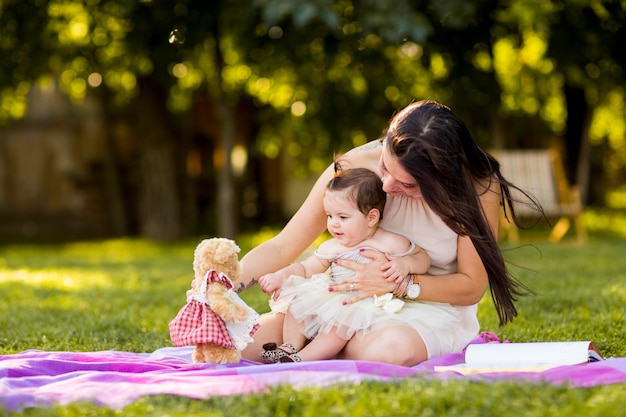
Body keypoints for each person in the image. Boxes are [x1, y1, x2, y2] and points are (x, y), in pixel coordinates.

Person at [233, 100, 535, 366]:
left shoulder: (478, 187)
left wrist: (399, 284)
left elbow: (471, 286)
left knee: (392, 350)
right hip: (336, 302)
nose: (387, 187)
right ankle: (314, 348)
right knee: (239, 346)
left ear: (444, 180)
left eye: (409, 185)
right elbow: (283, 248)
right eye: (385, 167)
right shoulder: (354, 168)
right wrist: (223, 282)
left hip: (418, 312)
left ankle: (313, 352)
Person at [257, 166, 460, 363]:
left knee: (340, 326)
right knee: (297, 303)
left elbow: (422, 257)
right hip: (333, 297)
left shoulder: (389, 242)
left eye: (343, 217)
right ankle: (290, 345)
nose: (333, 223)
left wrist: (405, 264)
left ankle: (302, 359)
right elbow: (305, 268)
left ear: (371, 217)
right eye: (330, 216)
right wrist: (280, 276)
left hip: (363, 303)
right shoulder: (332, 247)